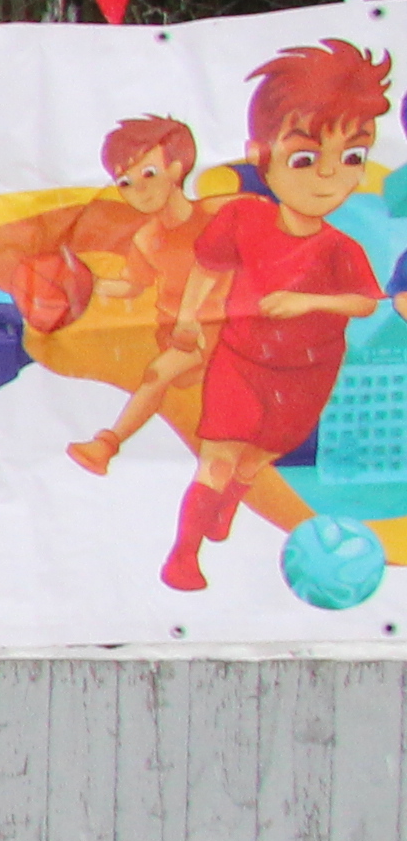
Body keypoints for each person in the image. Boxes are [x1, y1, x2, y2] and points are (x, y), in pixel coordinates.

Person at [154, 40, 392, 590]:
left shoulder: (341, 248)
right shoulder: (242, 219)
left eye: (352, 157)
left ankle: (228, 506)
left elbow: (362, 302)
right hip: (241, 363)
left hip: (307, 375)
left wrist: (309, 302)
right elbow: (208, 268)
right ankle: (183, 556)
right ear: (261, 155)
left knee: (252, 461)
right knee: (215, 460)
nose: (329, 176)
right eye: (306, 158)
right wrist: (190, 317)